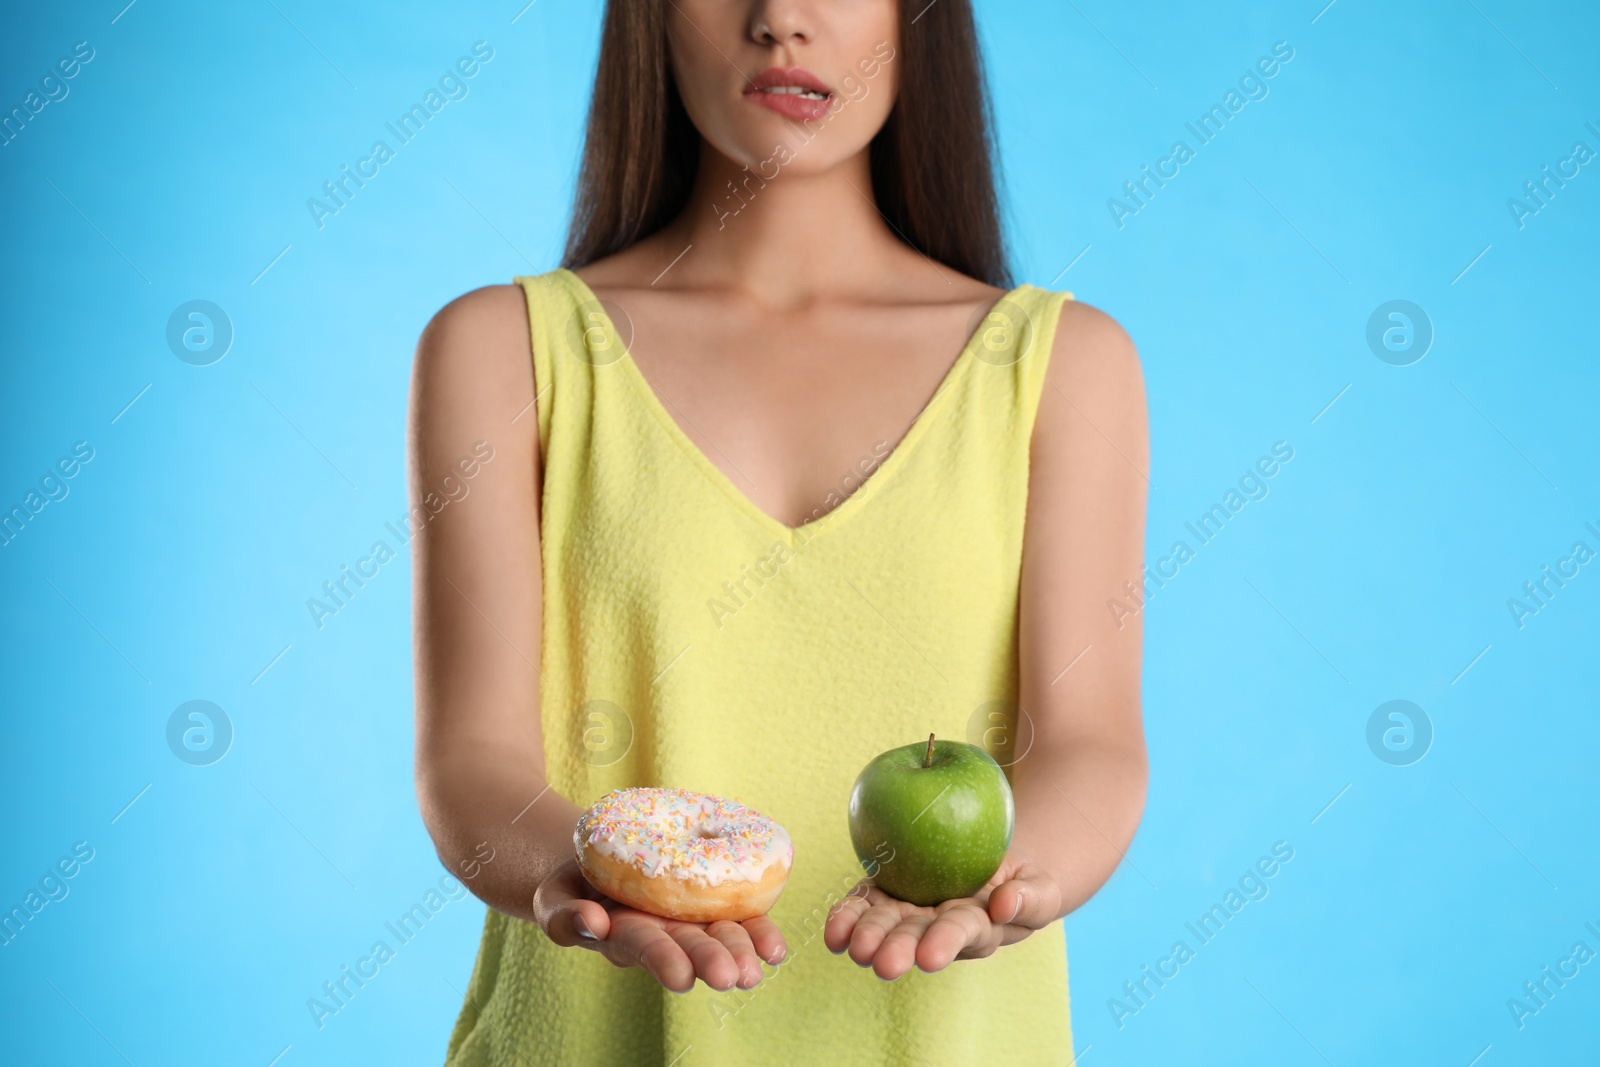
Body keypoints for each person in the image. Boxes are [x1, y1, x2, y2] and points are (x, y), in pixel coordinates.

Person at [408, 1, 1148, 1063]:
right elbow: (472, 760)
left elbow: (1091, 741)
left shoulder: (1064, 365)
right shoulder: (503, 350)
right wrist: (575, 873)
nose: (779, 20)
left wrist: (1010, 880)